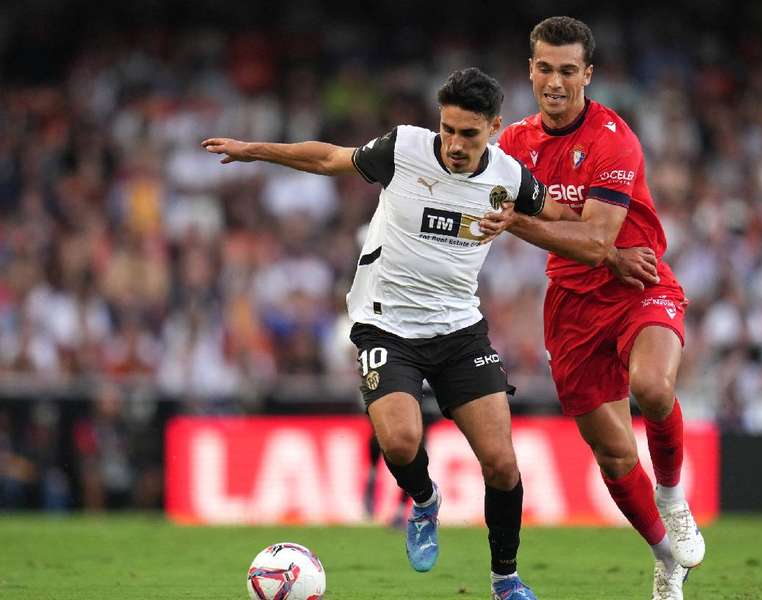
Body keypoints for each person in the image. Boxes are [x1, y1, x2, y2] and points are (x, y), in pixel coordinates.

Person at [203, 67, 615, 600]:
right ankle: (424, 500)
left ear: (493, 128)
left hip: (460, 330)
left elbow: (569, 219)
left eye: (469, 133)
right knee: (399, 441)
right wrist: (255, 150)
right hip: (386, 322)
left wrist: (606, 241)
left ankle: (506, 580)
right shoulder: (405, 148)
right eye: (448, 128)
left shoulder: (510, 179)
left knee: (502, 463)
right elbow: (331, 158)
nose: (455, 143)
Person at [483, 16, 706, 600]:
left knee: (653, 389)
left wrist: (517, 222)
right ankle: (665, 560)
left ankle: (672, 497)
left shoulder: (613, 138)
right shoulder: (514, 144)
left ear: (588, 74)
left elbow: (599, 241)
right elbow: (480, 191)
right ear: (531, 70)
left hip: (639, 282)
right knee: (611, 452)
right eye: (544, 69)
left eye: (567, 70)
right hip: (570, 307)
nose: (554, 82)